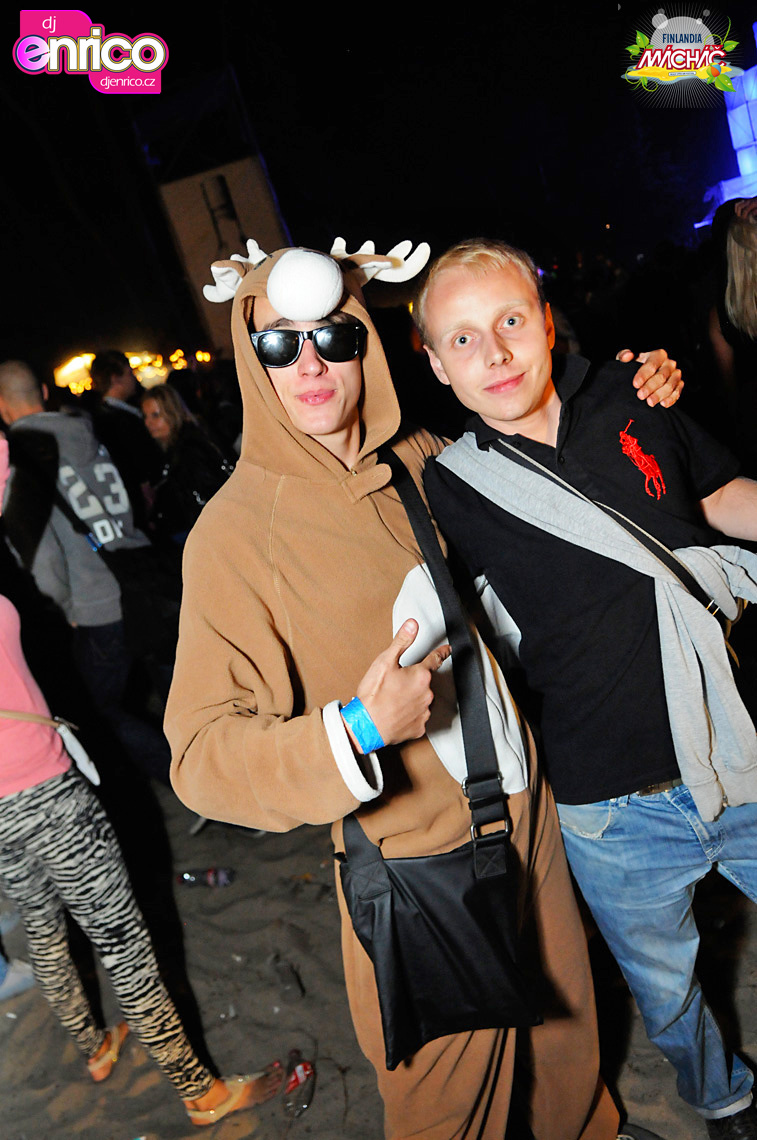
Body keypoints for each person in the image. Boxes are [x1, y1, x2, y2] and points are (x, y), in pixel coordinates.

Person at [164, 237, 680, 1140]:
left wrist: (628, 389)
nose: (311, 364)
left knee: (564, 1045)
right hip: (416, 860)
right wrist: (354, 728)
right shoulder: (235, 534)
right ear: (251, 360)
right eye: (280, 344)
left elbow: (540, 444)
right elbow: (200, 758)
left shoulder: (418, 456)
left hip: (523, 803)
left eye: (333, 336)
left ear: (364, 342)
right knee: (449, 1106)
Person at [419, 238, 757, 1140]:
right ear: (434, 363)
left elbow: (714, 496)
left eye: (509, 321)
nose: (493, 353)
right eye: (461, 339)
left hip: (733, 745)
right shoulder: (449, 484)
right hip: (607, 805)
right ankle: (722, 1100)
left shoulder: (632, 393)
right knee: (665, 988)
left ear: (546, 322)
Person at [0, 436, 282, 1126]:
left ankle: (96, 1047)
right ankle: (199, 1091)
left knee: (41, 922)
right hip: (44, 788)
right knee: (123, 940)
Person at [0, 361, 171, 782]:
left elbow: (39, 553)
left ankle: (189, 782)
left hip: (96, 600)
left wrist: (64, 608)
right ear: (44, 392)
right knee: (174, 693)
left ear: (2, 406)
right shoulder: (87, 433)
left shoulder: (23, 457)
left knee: (95, 711)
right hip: (143, 579)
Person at [140, 384, 234, 548]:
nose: (148, 423)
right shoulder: (177, 446)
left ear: (172, 412)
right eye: (145, 416)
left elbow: (209, 494)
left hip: (210, 534)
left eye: (156, 415)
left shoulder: (189, 448)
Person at [89, 350, 162, 528]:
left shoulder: (110, 414)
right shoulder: (116, 420)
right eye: (129, 373)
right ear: (115, 379)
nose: (134, 378)